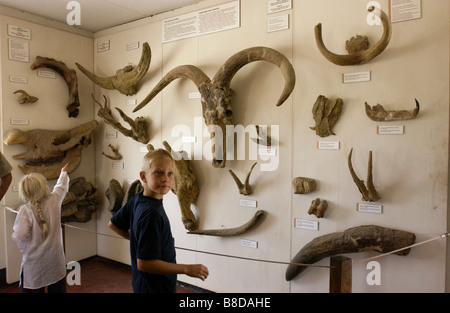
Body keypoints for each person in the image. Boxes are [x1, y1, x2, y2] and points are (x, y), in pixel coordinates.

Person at [108, 149, 209, 293]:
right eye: (158, 173)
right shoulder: (151, 214)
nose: (165, 179)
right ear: (143, 176)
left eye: (170, 173)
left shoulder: (138, 199)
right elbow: (144, 264)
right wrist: (186, 269)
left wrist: (140, 242)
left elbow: (112, 224)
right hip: (156, 288)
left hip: (142, 284)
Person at [12, 163, 70, 293]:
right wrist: (63, 172)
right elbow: (61, 186)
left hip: (34, 263)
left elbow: (20, 236)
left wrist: (25, 246)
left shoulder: (25, 210)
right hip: (55, 260)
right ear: (43, 187)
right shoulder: (54, 200)